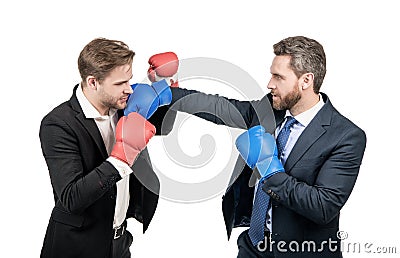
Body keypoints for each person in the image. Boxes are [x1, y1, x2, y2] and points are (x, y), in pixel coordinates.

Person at [162, 36, 367, 257]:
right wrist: (170, 95)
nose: (270, 83)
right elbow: (221, 108)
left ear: (306, 80)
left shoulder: (346, 136)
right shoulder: (270, 109)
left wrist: (270, 170)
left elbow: (323, 207)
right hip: (253, 246)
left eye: (278, 77)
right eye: (271, 74)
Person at [39, 38, 178, 258]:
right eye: (120, 83)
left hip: (120, 243)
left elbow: (163, 127)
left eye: (129, 80)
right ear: (93, 82)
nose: (129, 90)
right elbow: (71, 199)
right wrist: (122, 158)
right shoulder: (58, 123)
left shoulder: (123, 107)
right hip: (78, 247)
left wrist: (165, 83)